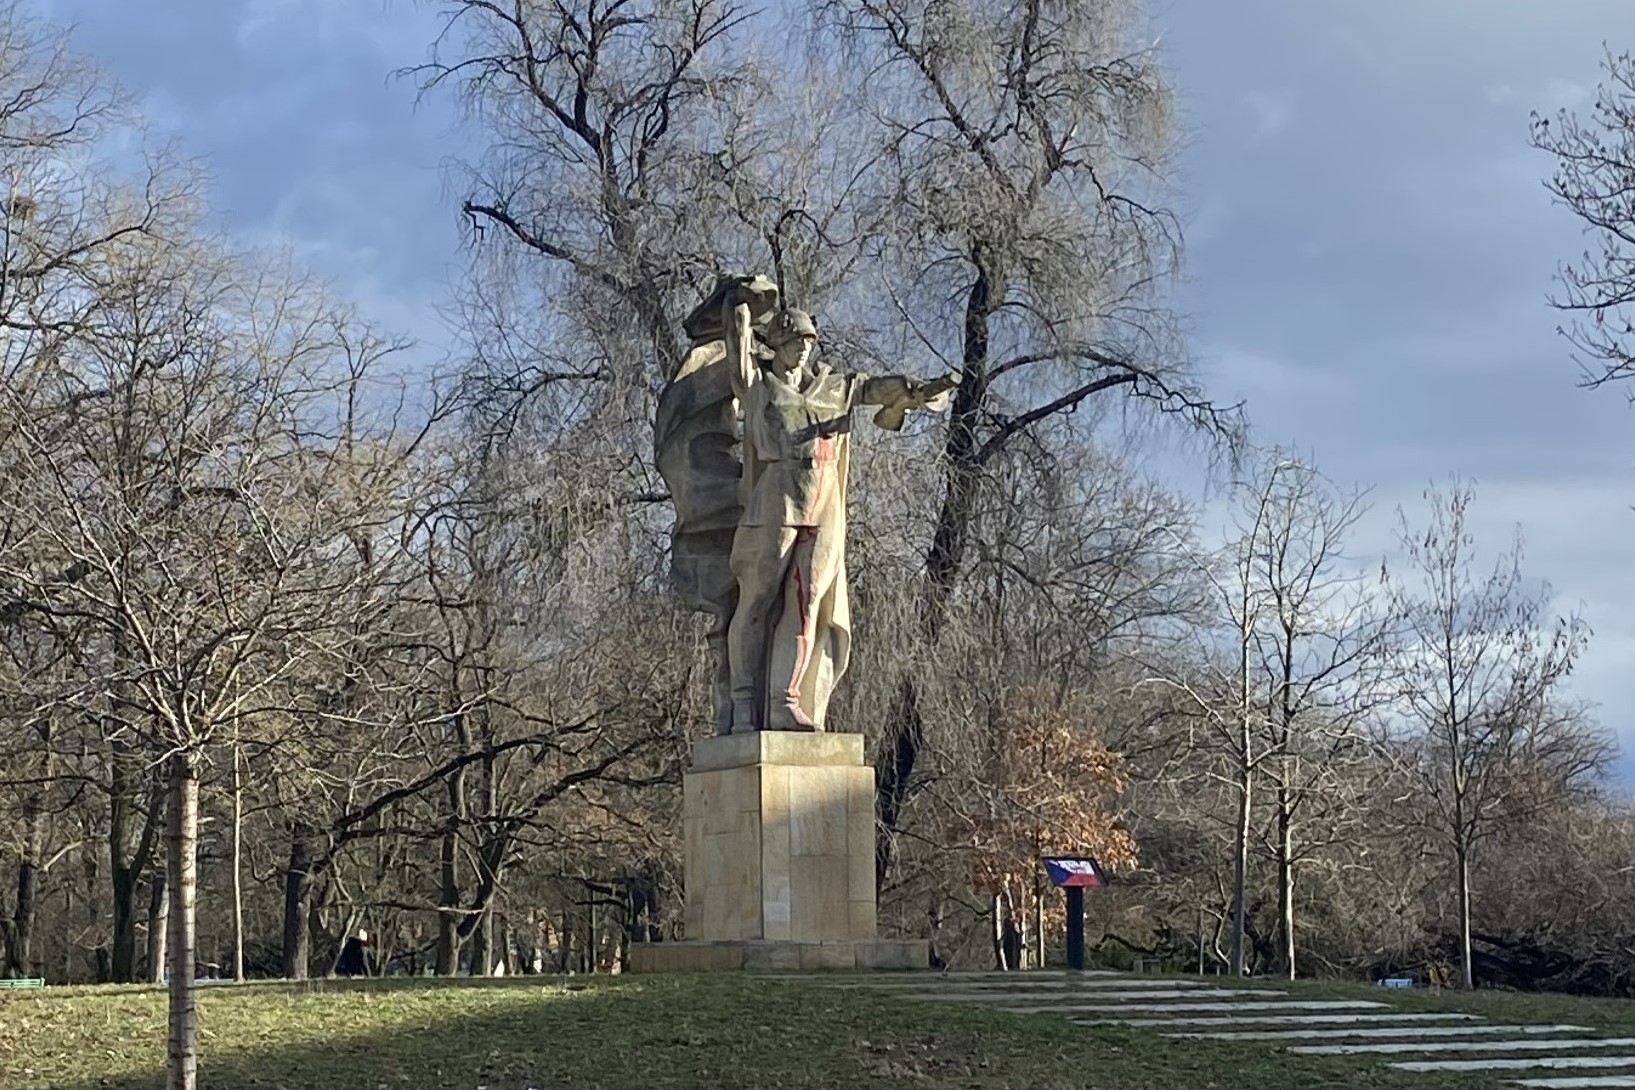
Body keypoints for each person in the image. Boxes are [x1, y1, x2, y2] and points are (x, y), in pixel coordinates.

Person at [722, 293, 955, 733]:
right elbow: (736, 344)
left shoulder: (832, 385)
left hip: (825, 501)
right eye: (794, 339)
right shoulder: (757, 384)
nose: (804, 347)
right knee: (755, 602)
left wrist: (912, 390)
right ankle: (741, 705)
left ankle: (785, 701)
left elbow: (871, 389)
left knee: (807, 604)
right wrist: (739, 302)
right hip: (776, 498)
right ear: (775, 343)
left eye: (809, 339)